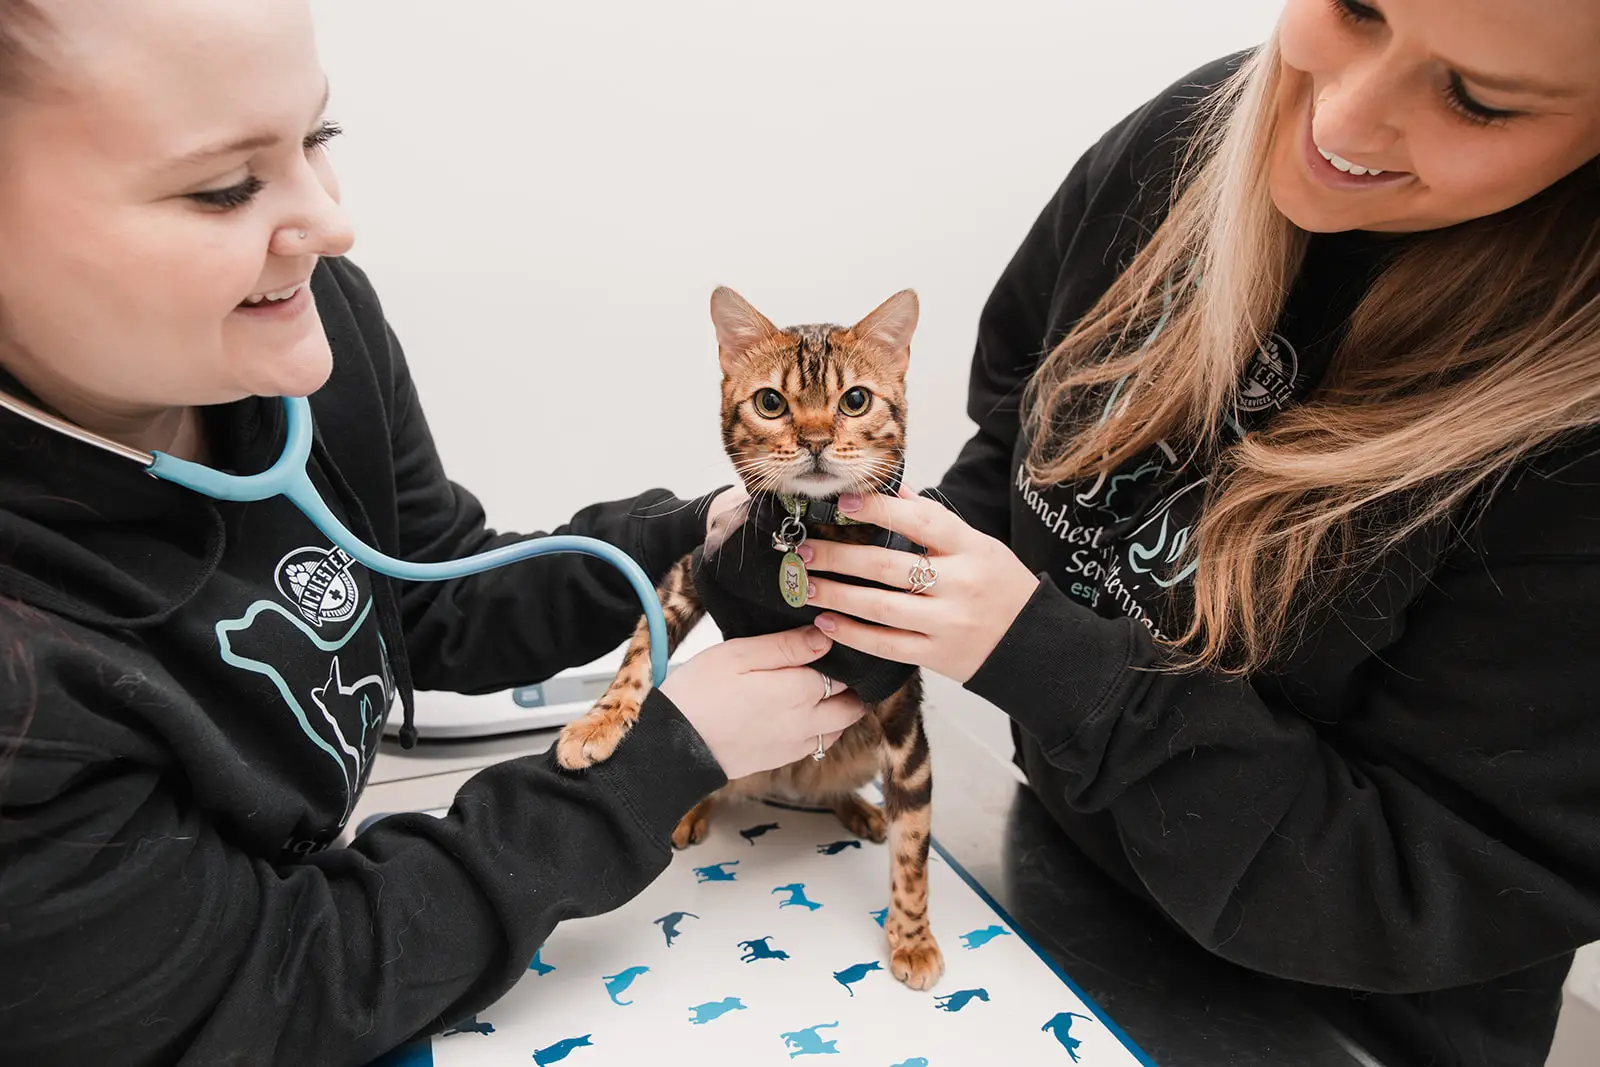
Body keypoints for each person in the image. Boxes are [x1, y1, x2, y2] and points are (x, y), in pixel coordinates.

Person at [0, 2, 865, 1064]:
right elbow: (279, 980)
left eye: (317, 139)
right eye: (223, 186)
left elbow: (425, 591)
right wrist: (650, 762)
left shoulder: (311, 330)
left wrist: (694, 532)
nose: (332, 221)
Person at [799, 2, 1600, 1065]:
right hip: (1067, 903)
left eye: (1478, 99)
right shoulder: (1187, 137)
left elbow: (1421, 884)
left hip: (1336, 1021)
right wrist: (860, 582)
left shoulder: (1569, 459)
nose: (1344, 120)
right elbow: (1019, 443)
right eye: (1355, 8)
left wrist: (1057, 666)